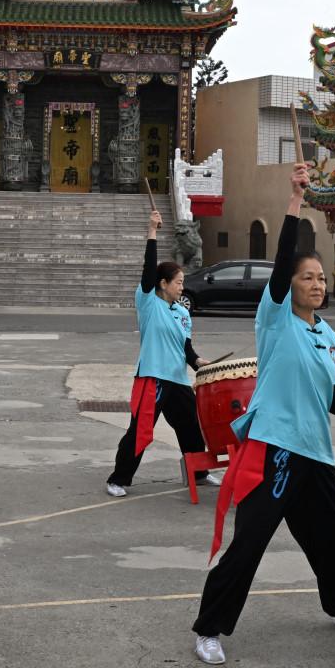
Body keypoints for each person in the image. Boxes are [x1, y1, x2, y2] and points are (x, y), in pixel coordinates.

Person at [191, 163, 335, 666]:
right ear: (290, 285)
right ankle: (209, 629)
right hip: (275, 447)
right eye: (307, 278)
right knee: (250, 542)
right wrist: (295, 201)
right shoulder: (275, 320)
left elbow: (328, 392)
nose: (317, 285)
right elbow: (279, 265)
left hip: (316, 450)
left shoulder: (329, 334)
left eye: (321, 278)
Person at [106, 209, 218, 496]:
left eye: (183, 283)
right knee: (141, 430)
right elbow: (147, 270)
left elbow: (185, 348)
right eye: (178, 282)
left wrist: (198, 362)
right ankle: (117, 479)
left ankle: (199, 472)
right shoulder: (148, 303)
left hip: (177, 380)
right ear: (163, 284)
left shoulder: (182, 312)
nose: (182, 287)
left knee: (191, 428)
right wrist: (152, 232)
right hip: (153, 377)